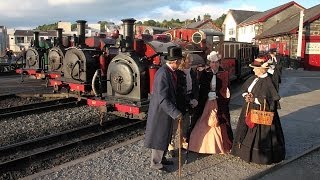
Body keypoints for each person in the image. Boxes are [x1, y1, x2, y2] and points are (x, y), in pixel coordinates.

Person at [231, 57, 285, 165]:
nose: (253, 70)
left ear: (262, 69)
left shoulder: (268, 81)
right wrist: (246, 95)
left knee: (259, 134)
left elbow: (271, 100)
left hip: (261, 113)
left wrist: (254, 99)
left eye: (255, 68)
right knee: (245, 129)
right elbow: (244, 89)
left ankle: (258, 157)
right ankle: (243, 152)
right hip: (248, 109)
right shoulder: (253, 78)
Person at [144, 46, 183, 172]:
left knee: (165, 136)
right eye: (180, 61)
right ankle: (155, 163)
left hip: (166, 111)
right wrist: (175, 112)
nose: (181, 63)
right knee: (159, 137)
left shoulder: (169, 72)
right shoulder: (163, 74)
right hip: (161, 112)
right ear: (175, 61)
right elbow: (162, 98)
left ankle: (162, 159)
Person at [187, 51, 233, 154]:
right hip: (206, 100)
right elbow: (201, 87)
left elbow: (227, 88)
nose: (214, 64)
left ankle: (223, 146)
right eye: (212, 62)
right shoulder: (205, 73)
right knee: (202, 119)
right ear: (209, 63)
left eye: (216, 62)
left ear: (219, 63)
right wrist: (208, 94)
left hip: (219, 101)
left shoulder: (224, 73)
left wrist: (222, 95)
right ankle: (197, 145)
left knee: (221, 120)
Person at [168, 53, 199, 155]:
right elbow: (179, 91)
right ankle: (171, 146)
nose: (190, 62)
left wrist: (195, 99)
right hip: (180, 102)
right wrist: (188, 100)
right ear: (183, 61)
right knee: (174, 126)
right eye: (188, 60)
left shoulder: (192, 72)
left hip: (189, 101)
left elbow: (195, 87)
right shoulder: (178, 73)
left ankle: (183, 143)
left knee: (185, 124)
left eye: (191, 60)